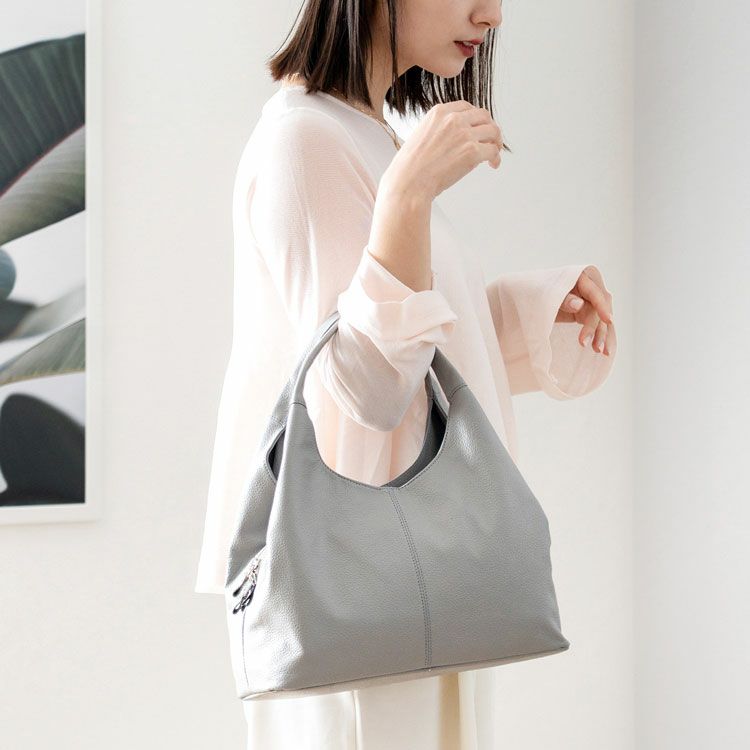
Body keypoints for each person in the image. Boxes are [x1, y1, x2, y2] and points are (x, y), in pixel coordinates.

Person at [195, 0, 617, 747]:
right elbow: (362, 390)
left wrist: (528, 311)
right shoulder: (304, 139)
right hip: (353, 589)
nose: (492, 14)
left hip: (413, 577)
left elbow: (404, 353)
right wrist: (408, 193)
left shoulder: (365, 131)